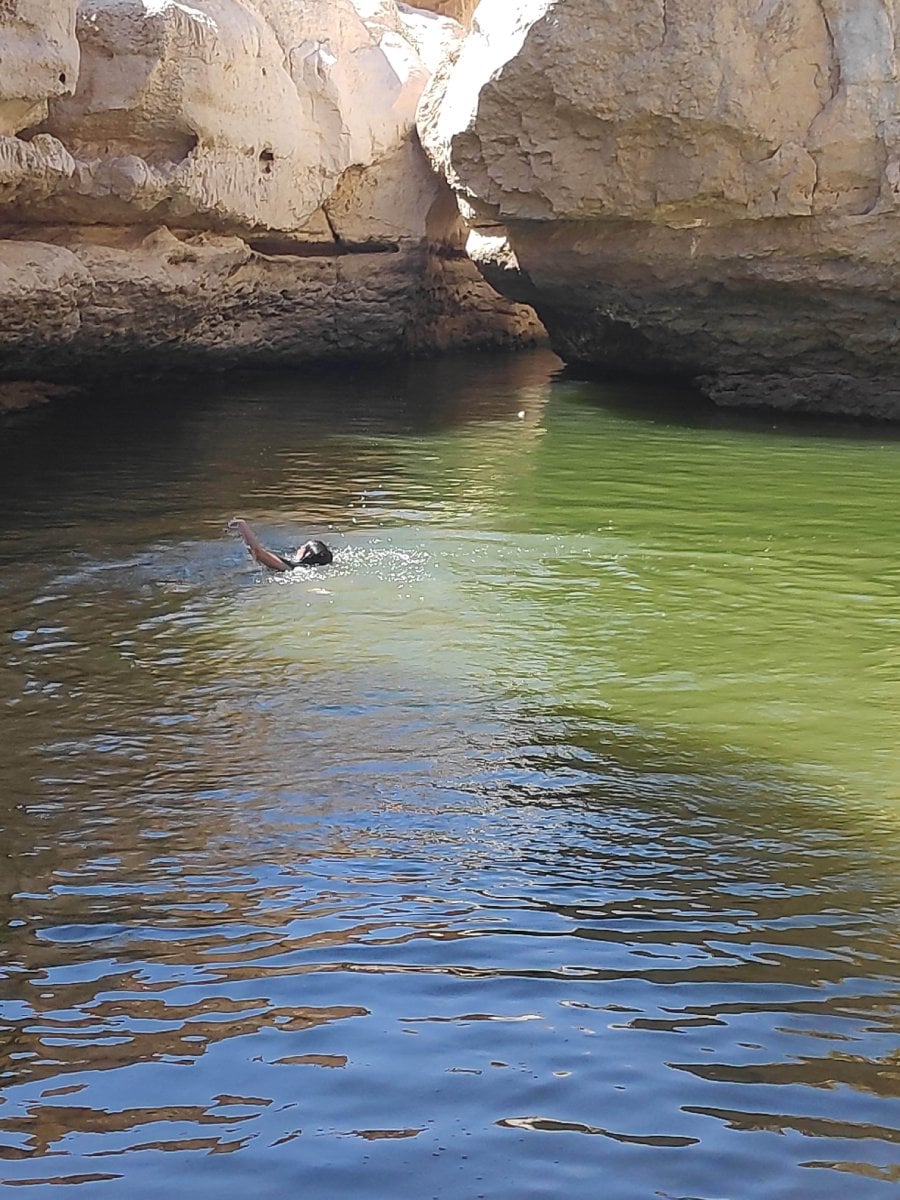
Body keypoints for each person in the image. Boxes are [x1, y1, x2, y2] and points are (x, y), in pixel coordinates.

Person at [228, 517, 333, 571]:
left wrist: (242, 525)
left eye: (303, 547)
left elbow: (258, 553)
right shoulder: (303, 567)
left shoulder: (290, 567)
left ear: (305, 554)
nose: (300, 547)